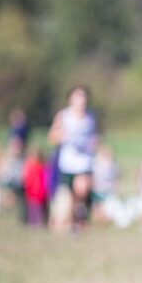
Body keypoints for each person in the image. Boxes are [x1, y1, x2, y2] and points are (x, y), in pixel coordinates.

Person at [48, 86, 99, 231]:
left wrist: (95, 142)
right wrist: (60, 136)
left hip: (85, 162)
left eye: (83, 97)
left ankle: (79, 215)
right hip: (68, 163)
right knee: (68, 199)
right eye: (78, 97)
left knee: (81, 188)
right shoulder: (63, 116)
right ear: (71, 99)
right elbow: (52, 136)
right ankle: (73, 221)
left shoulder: (91, 117)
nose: (81, 100)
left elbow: (97, 136)